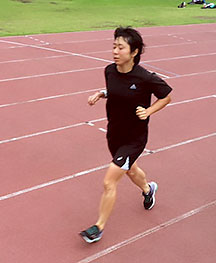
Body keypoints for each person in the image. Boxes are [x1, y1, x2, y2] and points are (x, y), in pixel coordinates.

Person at [80, 27, 172, 242]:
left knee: (109, 181)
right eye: (114, 46)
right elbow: (115, 90)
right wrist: (100, 93)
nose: (115, 51)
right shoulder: (109, 70)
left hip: (134, 138)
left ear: (134, 52)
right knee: (130, 170)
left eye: (121, 47)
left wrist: (148, 111)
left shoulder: (146, 78)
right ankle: (149, 189)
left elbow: (166, 96)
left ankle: (98, 227)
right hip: (114, 134)